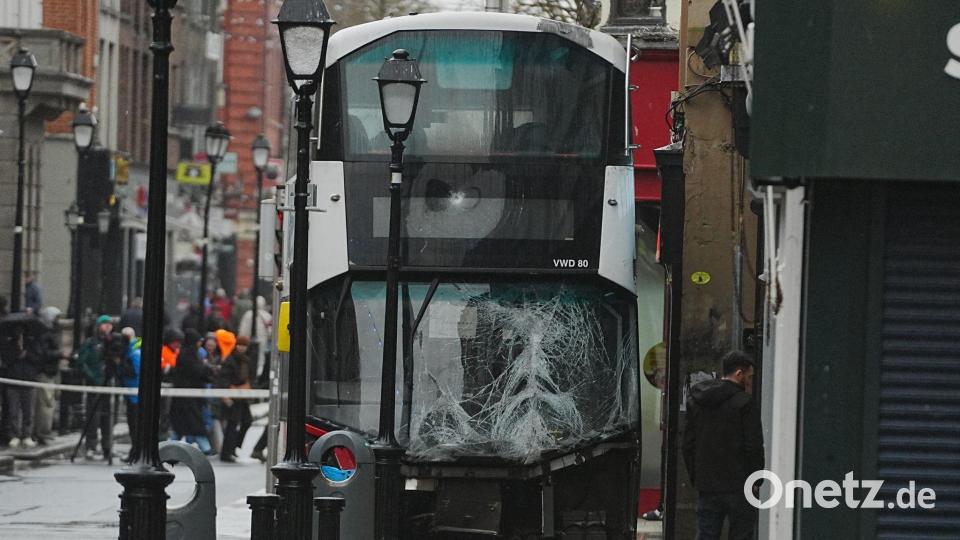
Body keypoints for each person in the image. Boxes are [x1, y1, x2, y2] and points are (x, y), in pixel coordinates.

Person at [682, 350, 764, 540]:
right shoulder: (745, 403)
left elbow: (688, 444)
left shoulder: (698, 400)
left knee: (707, 535)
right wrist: (756, 479)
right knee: (741, 534)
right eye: (749, 377)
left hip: (708, 485)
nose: (750, 382)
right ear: (738, 374)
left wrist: (697, 476)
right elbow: (753, 446)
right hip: (740, 486)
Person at [76, 315, 116, 460]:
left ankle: (107, 447)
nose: (108, 327)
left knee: (108, 417)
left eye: (109, 324)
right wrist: (92, 377)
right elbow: (82, 362)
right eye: (105, 324)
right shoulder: (90, 343)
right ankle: (91, 446)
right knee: (93, 417)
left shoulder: (112, 342)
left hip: (108, 384)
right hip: (94, 384)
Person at [169, 329, 214, 454]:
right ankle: (205, 448)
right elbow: (197, 371)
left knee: (180, 426)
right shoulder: (189, 355)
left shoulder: (186, 354)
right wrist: (206, 369)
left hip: (185, 398)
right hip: (188, 398)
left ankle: (171, 449)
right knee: (194, 423)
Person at [1, 323, 41, 448]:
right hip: (14, 380)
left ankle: (27, 434)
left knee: (28, 411)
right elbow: (6, 359)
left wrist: (27, 354)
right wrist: (18, 353)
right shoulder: (9, 344)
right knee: (14, 410)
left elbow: (38, 358)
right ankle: (15, 435)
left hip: (28, 379)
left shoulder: (32, 344)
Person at [218, 335, 253, 462]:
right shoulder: (230, 360)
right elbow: (224, 378)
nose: (241, 347)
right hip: (233, 396)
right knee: (232, 425)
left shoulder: (246, 361)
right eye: (239, 344)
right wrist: (227, 393)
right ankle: (226, 452)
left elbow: (249, 377)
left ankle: (233, 447)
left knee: (247, 421)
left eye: (244, 345)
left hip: (243, 396)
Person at [33, 307, 64, 445]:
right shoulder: (45, 334)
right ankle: (43, 432)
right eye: (56, 318)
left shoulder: (52, 333)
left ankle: (45, 430)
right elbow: (45, 354)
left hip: (52, 371)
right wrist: (60, 354)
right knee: (45, 403)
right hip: (45, 372)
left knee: (50, 402)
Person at [238, 296, 272, 380]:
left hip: (249, 340)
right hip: (262, 340)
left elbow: (243, 330)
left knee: (250, 357)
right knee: (261, 357)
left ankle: (253, 373)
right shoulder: (267, 315)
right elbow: (271, 331)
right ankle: (258, 373)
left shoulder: (248, 314)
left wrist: (242, 340)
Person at [118, 327, 141, 445]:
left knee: (135, 423)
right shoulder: (128, 350)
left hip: (134, 393)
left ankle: (136, 449)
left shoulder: (135, 350)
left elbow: (136, 371)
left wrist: (122, 364)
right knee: (132, 423)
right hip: (130, 392)